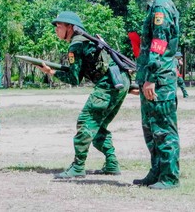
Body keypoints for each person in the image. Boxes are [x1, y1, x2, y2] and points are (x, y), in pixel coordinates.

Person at [35, 11, 129, 179]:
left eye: (59, 26)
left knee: (86, 121)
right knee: (98, 125)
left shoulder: (76, 45)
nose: (56, 30)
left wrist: (51, 72)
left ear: (70, 27)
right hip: (120, 81)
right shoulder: (87, 40)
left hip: (109, 83)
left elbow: (74, 78)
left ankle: (78, 166)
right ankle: (112, 164)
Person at [132, 0, 181, 190]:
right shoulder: (154, 6)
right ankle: (156, 172)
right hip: (151, 78)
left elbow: (159, 45)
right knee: (151, 129)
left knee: (163, 129)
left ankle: (169, 176)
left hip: (160, 80)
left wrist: (150, 77)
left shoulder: (161, 7)